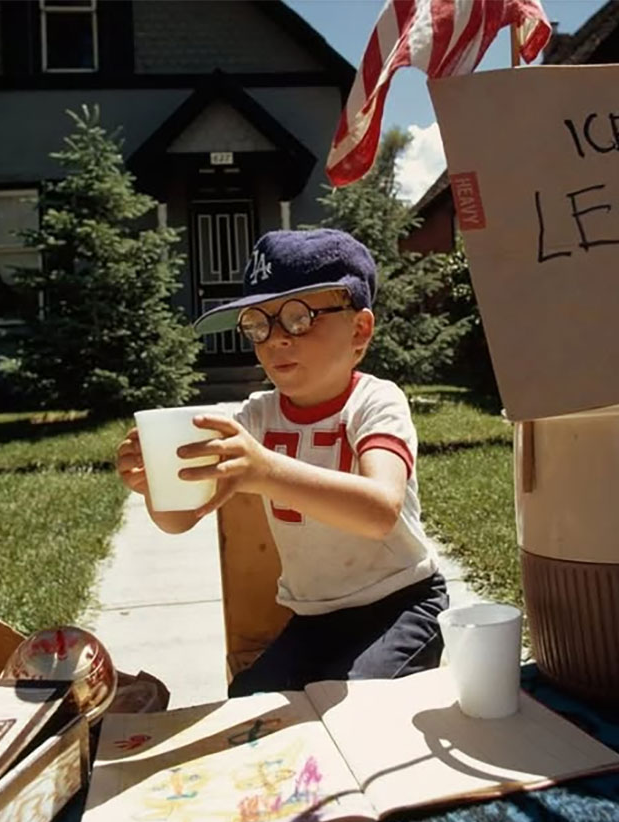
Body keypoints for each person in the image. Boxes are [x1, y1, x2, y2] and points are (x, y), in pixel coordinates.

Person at [116, 228, 448, 696]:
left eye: (298, 318)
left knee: (352, 709)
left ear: (359, 330)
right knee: (248, 702)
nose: (275, 340)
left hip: (402, 605)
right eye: (258, 324)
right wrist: (155, 484)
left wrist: (267, 470)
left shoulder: (376, 402)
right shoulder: (255, 416)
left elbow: (379, 512)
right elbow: (180, 519)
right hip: (314, 617)